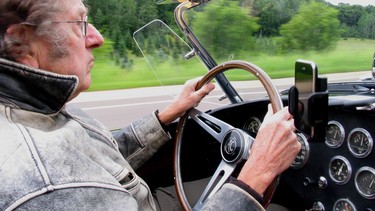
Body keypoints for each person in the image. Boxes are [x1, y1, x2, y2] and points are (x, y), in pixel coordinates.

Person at [0, 0, 301, 210]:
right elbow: (68, 178)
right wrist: (258, 172)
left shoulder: (45, 111)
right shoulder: (45, 181)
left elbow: (104, 159)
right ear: (22, 43)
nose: (97, 38)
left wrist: (169, 113)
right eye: (80, 23)